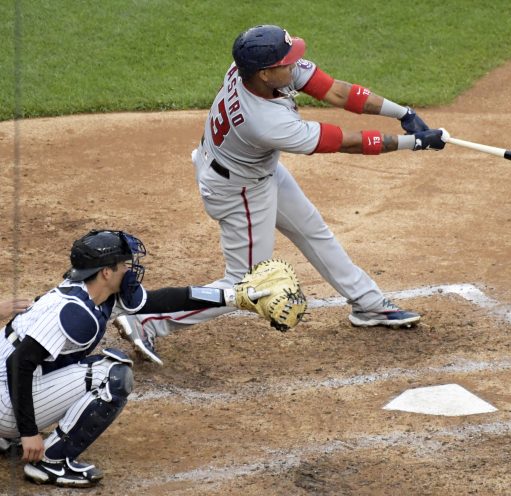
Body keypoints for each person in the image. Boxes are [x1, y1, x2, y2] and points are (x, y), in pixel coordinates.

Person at [116, 24, 446, 365]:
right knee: (248, 285)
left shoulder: (253, 71)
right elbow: (348, 142)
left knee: (312, 230)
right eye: (286, 63)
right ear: (265, 73)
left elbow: (335, 92)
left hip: (254, 171)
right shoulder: (266, 121)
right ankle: (149, 320)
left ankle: (369, 304)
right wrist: (413, 142)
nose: (295, 65)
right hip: (238, 191)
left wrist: (402, 112)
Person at [0, 229, 241, 487]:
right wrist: (29, 433)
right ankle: (50, 461)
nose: (130, 270)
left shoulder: (93, 292)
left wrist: (231, 296)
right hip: (6, 402)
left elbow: (164, 300)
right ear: (106, 271)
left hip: (4, 388)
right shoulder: (74, 312)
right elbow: (19, 364)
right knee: (111, 375)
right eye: (125, 264)